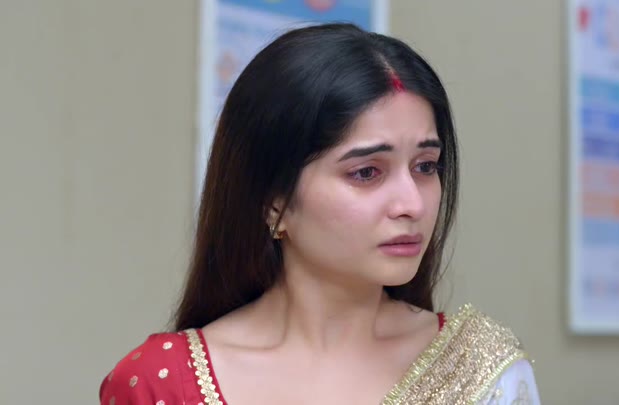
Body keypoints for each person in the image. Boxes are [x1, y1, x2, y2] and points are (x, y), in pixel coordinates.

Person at [99, 23, 540, 404]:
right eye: (366, 172)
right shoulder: (159, 383)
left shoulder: (480, 370)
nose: (413, 204)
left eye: (425, 167)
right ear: (273, 200)